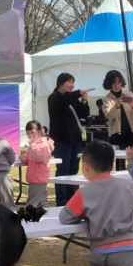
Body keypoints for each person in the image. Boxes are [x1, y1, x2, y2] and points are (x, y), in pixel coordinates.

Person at [47, 72, 90, 206]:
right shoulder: (54, 98)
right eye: (69, 82)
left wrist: (84, 100)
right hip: (62, 141)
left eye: (73, 82)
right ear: (61, 83)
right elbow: (63, 101)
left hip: (75, 140)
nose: (72, 85)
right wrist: (78, 93)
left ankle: (72, 200)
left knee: (73, 170)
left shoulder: (71, 98)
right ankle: (61, 201)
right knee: (63, 170)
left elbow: (84, 113)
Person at [101, 70, 133, 152]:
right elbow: (109, 116)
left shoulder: (129, 94)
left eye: (119, 82)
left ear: (122, 82)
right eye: (113, 83)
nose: (117, 85)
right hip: (116, 134)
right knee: (119, 158)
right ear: (109, 84)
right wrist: (117, 105)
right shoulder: (107, 99)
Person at [21, 120, 54, 209]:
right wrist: (23, 156)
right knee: (41, 204)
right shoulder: (34, 145)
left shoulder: (43, 144)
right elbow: (28, 159)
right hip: (35, 179)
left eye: (32, 132)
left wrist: (32, 145)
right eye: (28, 133)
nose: (30, 135)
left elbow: (40, 157)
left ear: (39, 131)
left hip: (39, 179)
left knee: (32, 205)